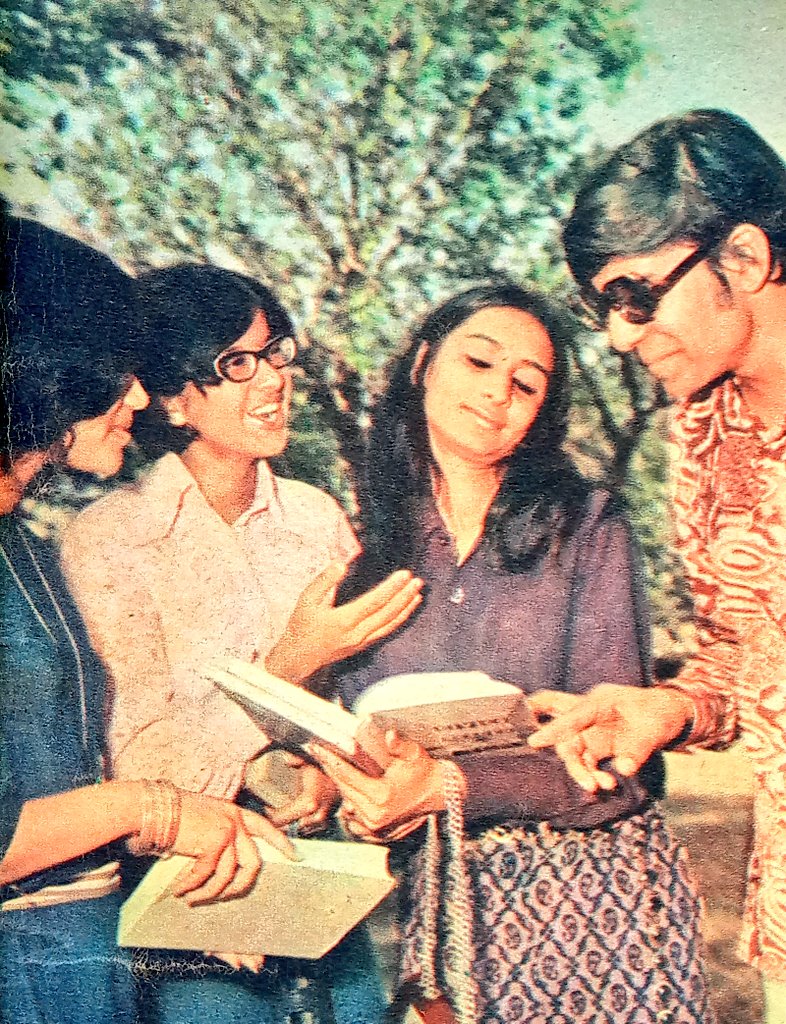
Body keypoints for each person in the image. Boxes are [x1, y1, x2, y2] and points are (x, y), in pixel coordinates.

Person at [309, 285, 715, 1024]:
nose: (498, 391)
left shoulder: (588, 526)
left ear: (540, 414)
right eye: (480, 361)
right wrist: (365, 798)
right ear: (424, 363)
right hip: (439, 908)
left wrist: (448, 785)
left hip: (599, 902)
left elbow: (615, 764)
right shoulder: (348, 538)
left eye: (526, 383)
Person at [59, 263, 424, 1024]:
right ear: (172, 397)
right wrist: (288, 664)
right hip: (189, 911)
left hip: (320, 894)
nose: (274, 381)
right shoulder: (107, 541)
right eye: (237, 364)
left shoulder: (317, 518)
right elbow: (137, 760)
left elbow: (353, 705)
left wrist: (333, 777)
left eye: (276, 352)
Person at [0, 215, 295, 1024]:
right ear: (37, 374)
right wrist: (156, 808)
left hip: (87, 964)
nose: (137, 395)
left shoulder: (23, 546)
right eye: (113, 372)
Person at [526, 109, 786, 1022]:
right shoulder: (702, 435)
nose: (620, 336)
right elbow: (742, 653)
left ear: (746, 260)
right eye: (605, 308)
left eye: (637, 296)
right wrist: (669, 707)